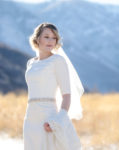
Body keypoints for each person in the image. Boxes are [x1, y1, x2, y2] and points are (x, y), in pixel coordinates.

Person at [23, 22, 84, 150]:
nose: (51, 40)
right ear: (37, 38)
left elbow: (66, 95)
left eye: (54, 37)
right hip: (30, 118)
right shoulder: (30, 63)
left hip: (49, 118)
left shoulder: (58, 61)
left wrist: (57, 121)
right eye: (46, 37)